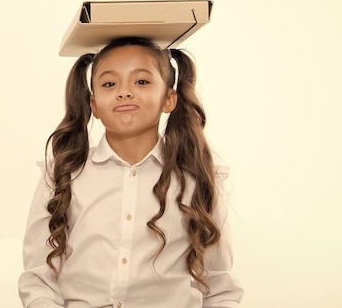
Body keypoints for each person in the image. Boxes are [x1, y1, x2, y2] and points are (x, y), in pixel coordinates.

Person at [19, 37, 243, 308]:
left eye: (141, 81)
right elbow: (38, 280)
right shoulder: (62, 174)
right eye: (109, 84)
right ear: (94, 105)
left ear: (169, 99)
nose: (124, 92)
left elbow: (219, 288)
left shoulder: (199, 179)